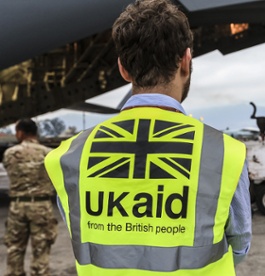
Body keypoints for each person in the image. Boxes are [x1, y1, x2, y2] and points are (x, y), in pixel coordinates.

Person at [44, 0, 252, 275]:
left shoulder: (70, 155)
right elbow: (239, 243)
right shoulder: (224, 153)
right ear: (186, 62)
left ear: (123, 69)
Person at [3, 118, 57, 276]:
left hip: (17, 207)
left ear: (20, 132)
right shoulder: (48, 154)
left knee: (15, 249)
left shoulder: (10, 153)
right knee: (41, 251)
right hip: (41, 207)